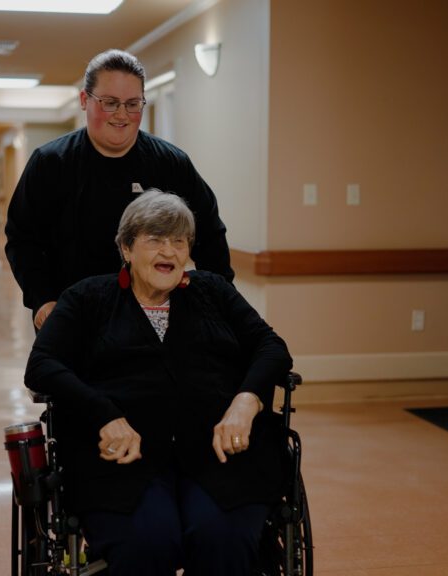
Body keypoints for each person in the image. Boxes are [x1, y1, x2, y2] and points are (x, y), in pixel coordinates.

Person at [25, 190, 292, 575]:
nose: (168, 251)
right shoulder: (88, 298)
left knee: (222, 539)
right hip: (122, 461)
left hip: (219, 454)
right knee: (148, 543)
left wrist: (245, 402)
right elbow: (42, 364)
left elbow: (271, 347)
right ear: (126, 248)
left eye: (178, 241)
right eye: (155, 240)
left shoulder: (213, 291)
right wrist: (103, 414)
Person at [5, 49, 234, 331]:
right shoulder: (51, 163)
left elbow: (210, 236)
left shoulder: (170, 164)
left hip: (153, 321)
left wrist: (217, 301)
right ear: (84, 100)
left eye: (133, 104)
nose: (122, 115)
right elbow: (22, 239)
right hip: (71, 318)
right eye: (110, 103)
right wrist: (42, 300)